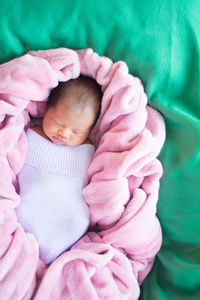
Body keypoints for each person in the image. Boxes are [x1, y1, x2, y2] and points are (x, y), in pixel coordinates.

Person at [16, 75, 102, 264]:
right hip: (27, 209)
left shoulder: (89, 151)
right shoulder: (30, 134)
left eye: (77, 131)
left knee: (78, 218)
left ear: (89, 131)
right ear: (47, 110)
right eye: (58, 123)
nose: (64, 133)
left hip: (69, 219)